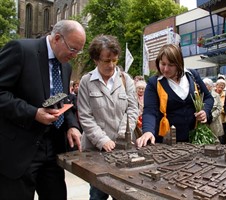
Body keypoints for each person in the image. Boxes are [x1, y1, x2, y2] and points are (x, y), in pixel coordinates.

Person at [0, 20, 85, 200]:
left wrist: (72, 125)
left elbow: (63, 100)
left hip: (52, 150)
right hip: (19, 151)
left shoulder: (65, 65)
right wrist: (33, 113)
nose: (75, 55)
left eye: (79, 50)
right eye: (73, 49)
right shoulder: (21, 50)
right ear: (56, 38)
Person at [77, 34, 139, 200]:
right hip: (96, 151)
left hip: (123, 148)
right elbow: (85, 115)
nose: (111, 65)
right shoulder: (86, 81)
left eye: (114, 60)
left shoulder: (126, 80)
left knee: (124, 193)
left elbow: (133, 109)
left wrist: (122, 134)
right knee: (98, 194)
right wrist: (102, 140)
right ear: (96, 60)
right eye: (106, 61)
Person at [136, 44, 214, 148]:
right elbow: (150, 111)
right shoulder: (154, 83)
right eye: (163, 64)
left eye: (171, 65)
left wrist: (205, 111)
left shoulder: (192, 75)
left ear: (179, 64)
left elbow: (208, 98)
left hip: (193, 139)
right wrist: (148, 131)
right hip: (165, 142)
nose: (166, 69)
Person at [203, 78, 224, 142]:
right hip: (204, 123)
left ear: (211, 86)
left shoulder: (216, 95)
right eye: (204, 85)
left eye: (206, 85)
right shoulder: (200, 95)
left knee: (216, 141)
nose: (205, 86)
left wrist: (211, 116)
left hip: (214, 122)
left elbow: (219, 108)